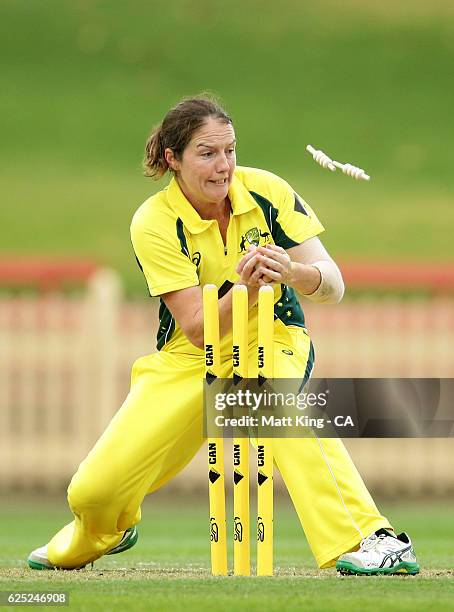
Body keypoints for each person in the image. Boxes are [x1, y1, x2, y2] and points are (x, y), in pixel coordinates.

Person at [28, 94, 419, 576]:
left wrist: (293, 272)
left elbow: (332, 285)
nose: (224, 167)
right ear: (172, 159)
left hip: (272, 337)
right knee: (93, 492)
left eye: (230, 150)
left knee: (275, 405)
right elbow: (195, 328)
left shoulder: (267, 191)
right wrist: (246, 287)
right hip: (192, 355)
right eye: (207, 154)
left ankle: (371, 538)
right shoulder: (153, 222)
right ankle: (106, 528)